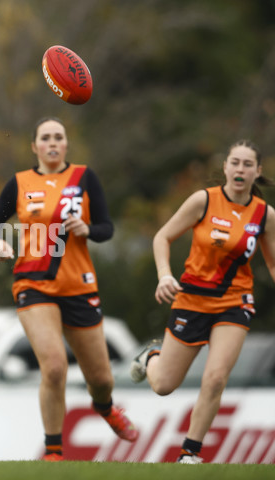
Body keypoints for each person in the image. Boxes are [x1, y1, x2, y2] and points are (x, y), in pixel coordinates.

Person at [0, 117, 138, 462]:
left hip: (79, 286)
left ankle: (105, 406)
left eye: (59, 137)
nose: (52, 143)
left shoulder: (84, 178)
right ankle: (53, 451)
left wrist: (87, 228)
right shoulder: (21, 183)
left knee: (100, 378)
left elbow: (107, 228)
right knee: (53, 366)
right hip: (33, 283)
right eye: (45, 137)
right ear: (34, 146)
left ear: (66, 144)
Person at [130, 139, 275, 464]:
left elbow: (274, 263)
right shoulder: (203, 201)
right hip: (192, 301)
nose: (240, 169)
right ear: (225, 167)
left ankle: (189, 453)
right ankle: (152, 356)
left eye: (247, 164)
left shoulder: (265, 215)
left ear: (258, 171)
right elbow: (162, 237)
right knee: (164, 385)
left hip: (234, 303)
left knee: (215, 377)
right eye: (234, 162)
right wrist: (165, 275)